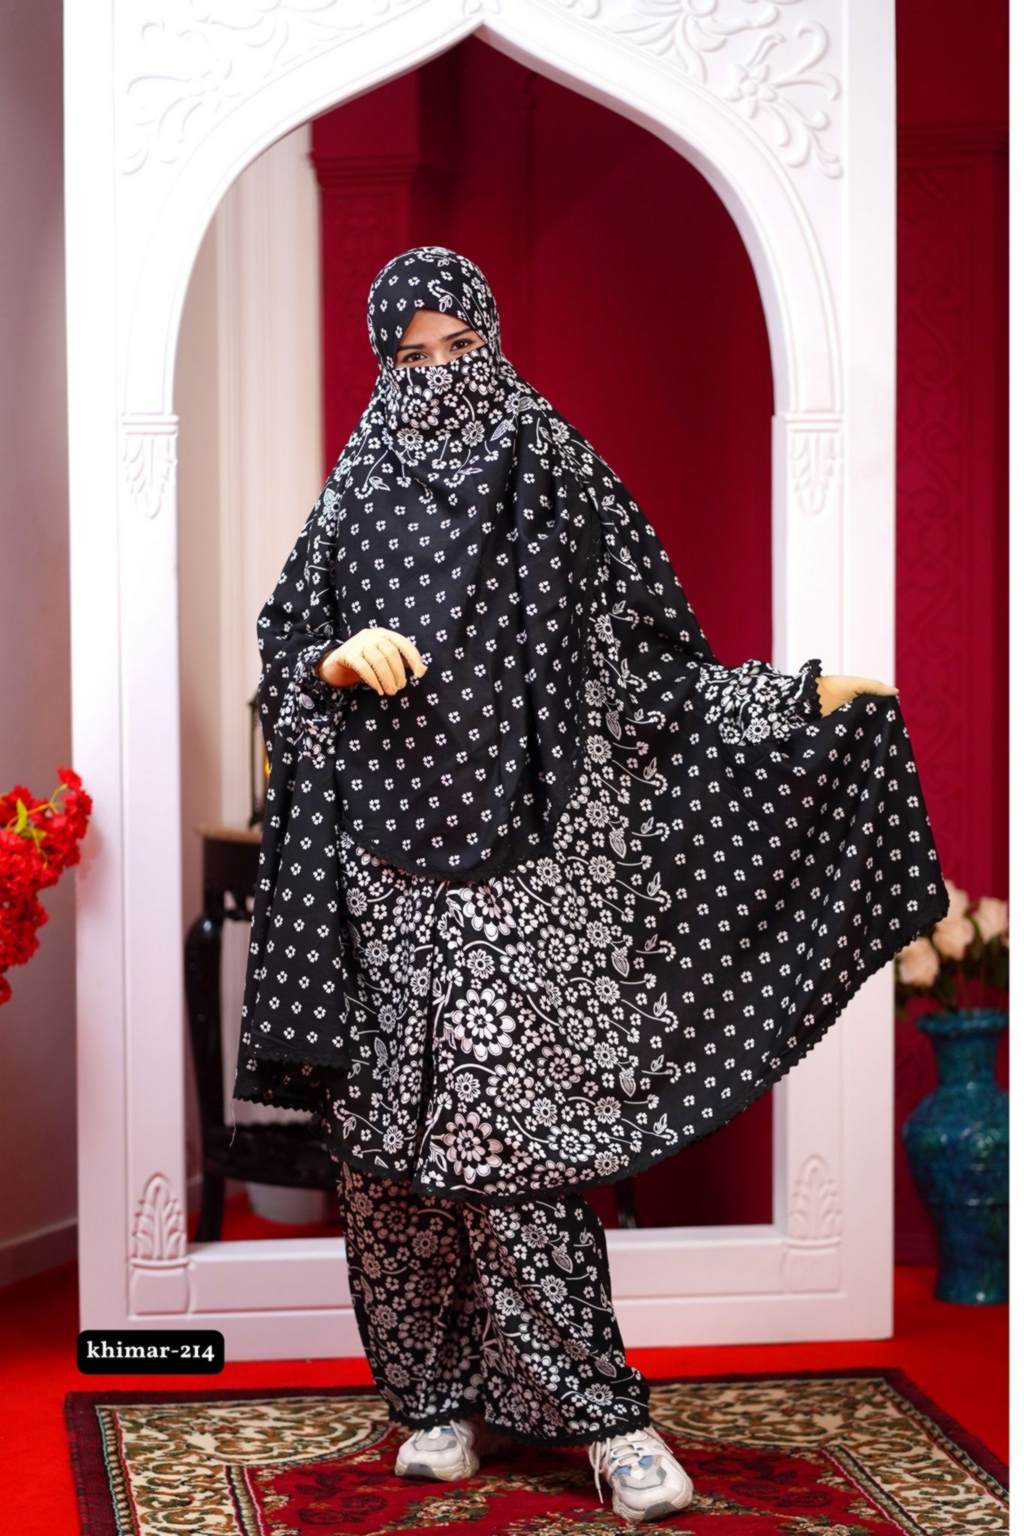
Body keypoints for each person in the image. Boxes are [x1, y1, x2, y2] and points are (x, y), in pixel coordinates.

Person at [231, 245, 949, 1522]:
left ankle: (606, 1419)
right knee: (390, 1151)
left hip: (530, 863)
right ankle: (435, 1401)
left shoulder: (556, 474)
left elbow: (649, 673)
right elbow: (283, 657)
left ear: (495, 341)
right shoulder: (355, 491)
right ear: (382, 364)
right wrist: (333, 660)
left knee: (512, 1140)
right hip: (375, 870)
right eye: (410, 356)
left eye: (462, 349)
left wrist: (792, 697)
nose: (439, 377)